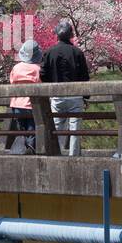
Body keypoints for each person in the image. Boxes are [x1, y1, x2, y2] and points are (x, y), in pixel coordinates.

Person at [40, 20, 90, 156]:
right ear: (71, 35)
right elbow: (85, 76)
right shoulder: (77, 52)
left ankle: (56, 155)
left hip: (57, 95)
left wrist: (51, 87)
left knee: (57, 126)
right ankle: (73, 157)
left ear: (57, 35)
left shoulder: (49, 52)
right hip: (75, 95)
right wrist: (86, 97)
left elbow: (43, 74)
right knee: (75, 129)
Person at [8, 39, 43, 153]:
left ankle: (22, 151)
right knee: (32, 130)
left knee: (22, 131)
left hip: (17, 105)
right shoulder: (37, 69)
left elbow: (12, 82)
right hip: (32, 106)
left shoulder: (16, 68)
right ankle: (30, 152)